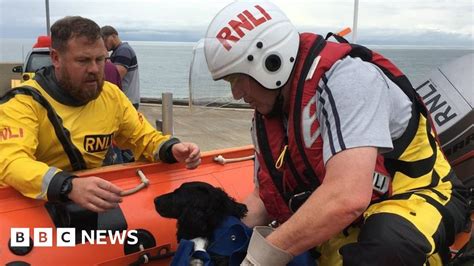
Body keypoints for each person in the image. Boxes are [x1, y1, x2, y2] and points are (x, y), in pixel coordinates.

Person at [203, 1, 469, 265]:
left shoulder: (348, 80)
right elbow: (264, 198)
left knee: (385, 246)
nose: (236, 94)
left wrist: (259, 258)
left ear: (271, 63)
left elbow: (347, 196)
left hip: (416, 196)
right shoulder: (266, 119)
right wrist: (220, 235)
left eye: (237, 79)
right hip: (348, 222)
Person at [0, 16, 201, 213]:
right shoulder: (22, 103)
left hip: (92, 201)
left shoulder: (110, 95)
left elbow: (142, 137)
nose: (95, 69)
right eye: (83, 60)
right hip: (28, 208)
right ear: (56, 58)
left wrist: (171, 148)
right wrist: (69, 186)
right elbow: (11, 162)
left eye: (100, 59)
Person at [100, 25, 140, 110]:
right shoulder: (119, 51)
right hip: (127, 100)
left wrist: (106, 57)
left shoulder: (124, 51)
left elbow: (115, 76)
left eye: (104, 40)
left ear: (113, 36)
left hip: (127, 101)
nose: (103, 44)